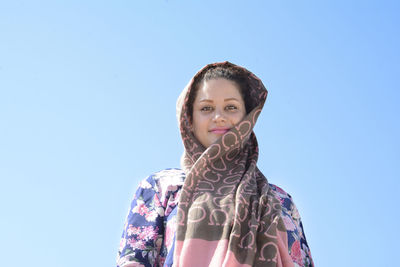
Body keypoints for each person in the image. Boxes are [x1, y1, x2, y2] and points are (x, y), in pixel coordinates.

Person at [116, 62, 314, 267]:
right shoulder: (162, 188)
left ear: (247, 118)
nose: (219, 117)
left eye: (231, 107)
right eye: (206, 108)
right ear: (189, 119)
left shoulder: (280, 201)